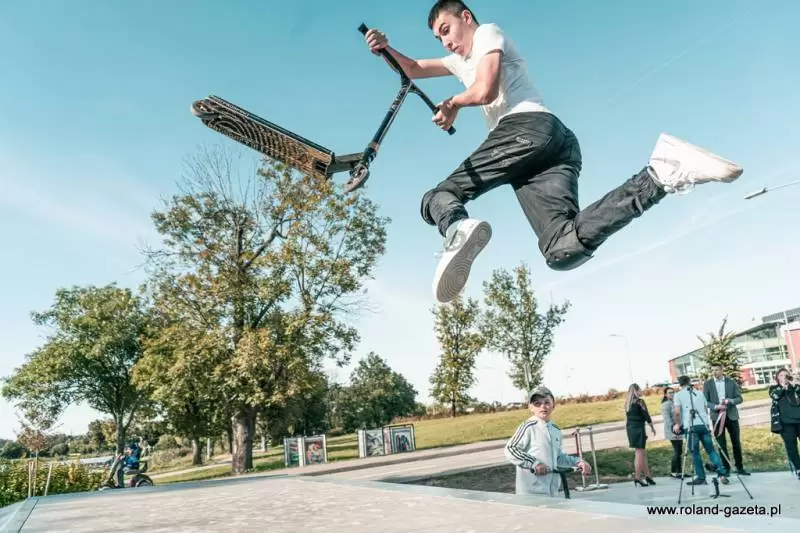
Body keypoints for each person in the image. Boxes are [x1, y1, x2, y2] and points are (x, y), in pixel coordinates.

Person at [363, 0, 744, 303]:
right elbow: (411, 68)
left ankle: (456, 230)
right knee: (561, 249)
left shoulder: (487, 34)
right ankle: (662, 174)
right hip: (549, 152)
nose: (446, 43)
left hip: (527, 129)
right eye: (438, 39)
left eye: (446, 30)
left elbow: (486, 90)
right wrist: (383, 49)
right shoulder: (456, 61)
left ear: (465, 17)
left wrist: (453, 103)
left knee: (438, 197)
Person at [504, 386, 591, 496]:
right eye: (537, 403)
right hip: (530, 493)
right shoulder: (528, 427)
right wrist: (534, 463)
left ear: (553, 405)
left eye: (547, 402)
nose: (543, 406)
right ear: (531, 407)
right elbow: (510, 449)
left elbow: (557, 457)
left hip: (552, 493)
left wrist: (578, 462)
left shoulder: (555, 429)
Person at [673, 375, 728, 485]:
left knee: (695, 453)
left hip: (690, 426)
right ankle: (722, 474)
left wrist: (677, 424)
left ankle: (701, 477)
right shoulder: (699, 393)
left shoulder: (678, 395)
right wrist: (706, 423)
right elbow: (705, 409)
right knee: (711, 450)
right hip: (703, 425)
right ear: (689, 382)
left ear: (680, 384)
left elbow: (677, 412)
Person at [702, 365, 749, 475]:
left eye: (717, 370)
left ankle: (740, 467)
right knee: (721, 444)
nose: (714, 372)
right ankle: (726, 469)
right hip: (717, 417)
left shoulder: (730, 382)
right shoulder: (708, 384)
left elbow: (739, 398)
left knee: (736, 442)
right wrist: (715, 406)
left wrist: (730, 401)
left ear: (722, 370)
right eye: (713, 370)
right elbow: (705, 401)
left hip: (731, 416)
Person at [768, 367, 800, 478]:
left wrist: (794, 385)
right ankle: (798, 468)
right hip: (785, 422)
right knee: (791, 446)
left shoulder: (795, 387)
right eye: (781, 375)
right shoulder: (774, 388)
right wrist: (782, 386)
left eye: (786, 375)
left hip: (799, 420)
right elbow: (775, 396)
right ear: (777, 378)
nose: (784, 378)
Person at [624, 383, 656, 486]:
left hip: (630, 429)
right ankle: (637, 477)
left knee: (641, 453)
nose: (641, 391)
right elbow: (646, 415)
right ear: (636, 391)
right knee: (639, 453)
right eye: (640, 390)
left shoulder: (627, 403)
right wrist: (652, 427)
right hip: (638, 428)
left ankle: (648, 476)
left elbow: (627, 418)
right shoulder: (640, 402)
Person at [660, 386, 687, 478]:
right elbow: (667, 419)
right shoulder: (665, 404)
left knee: (679, 451)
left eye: (673, 392)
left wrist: (680, 426)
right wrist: (674, 428)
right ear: (665, 395)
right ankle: (673, 471)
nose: (672, 394)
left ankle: (679, 472)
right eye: (669, 392)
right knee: (677, 451)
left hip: (679, 429)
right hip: (672, 431)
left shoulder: (676, 402)